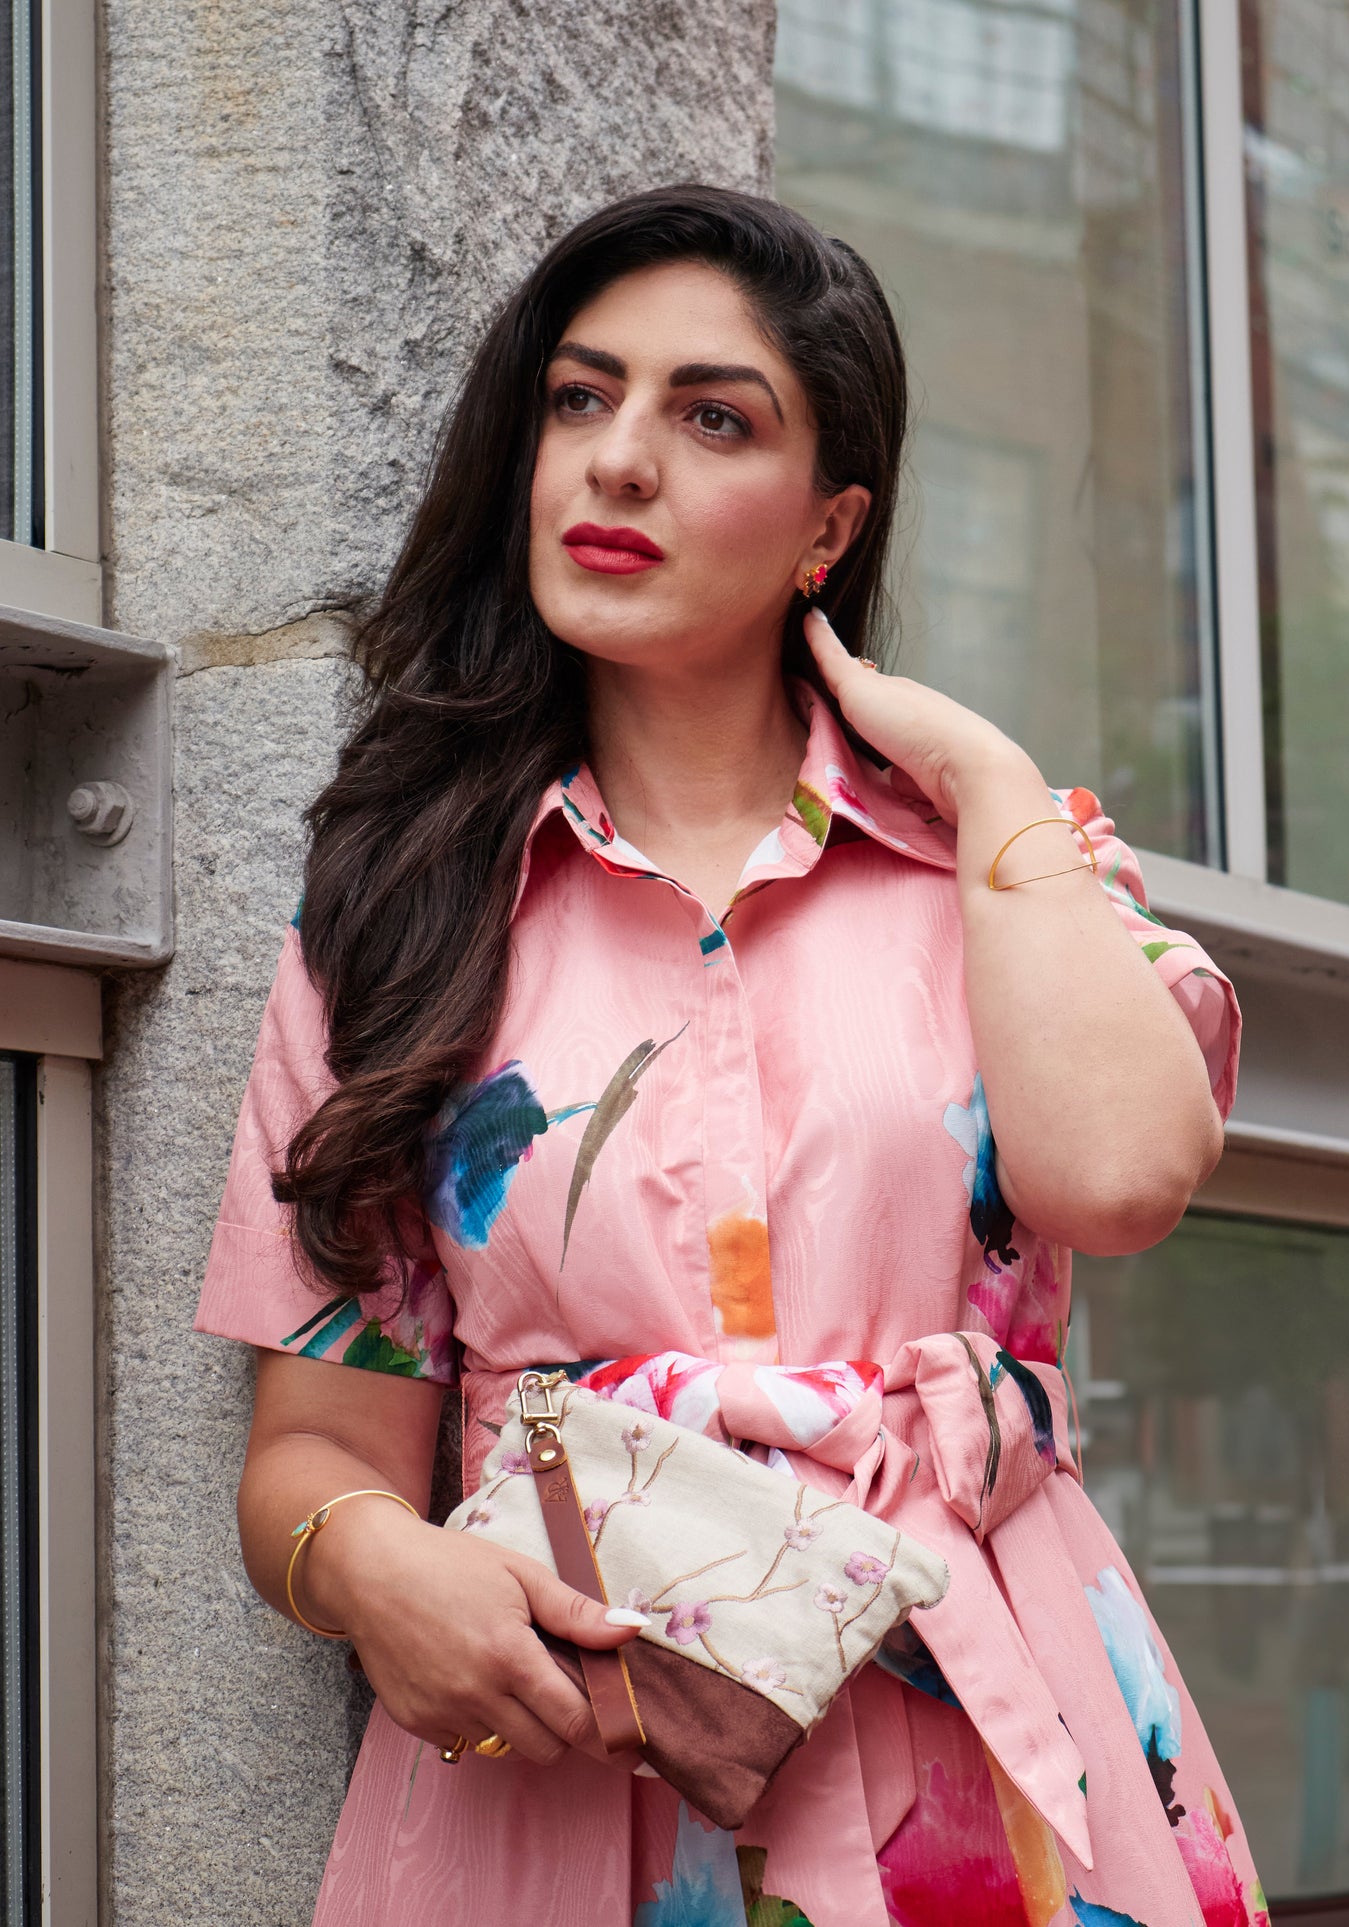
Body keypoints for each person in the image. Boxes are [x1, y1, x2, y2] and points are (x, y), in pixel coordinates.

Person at [195, 184, 1265, 1926]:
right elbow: (311, 1447)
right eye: (579, 397)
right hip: (569, 1757)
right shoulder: (395, 921)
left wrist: (985, 782)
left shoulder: (1006, 870)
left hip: (980, 1729)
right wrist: (374, 1568)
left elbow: (1118, 1178)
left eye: (712, 419)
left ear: (827, 525)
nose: (618, 461)